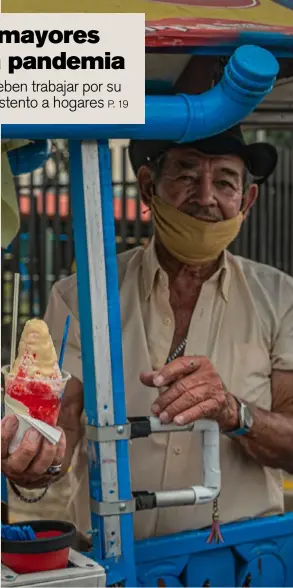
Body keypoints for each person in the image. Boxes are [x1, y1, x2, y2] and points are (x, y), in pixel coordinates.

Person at [2, 125, 293, 540]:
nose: (206, 196)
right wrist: (34, 462)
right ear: (147, 187)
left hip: (238, 564)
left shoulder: (281, 298)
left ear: (246, 200)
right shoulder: (81, 294)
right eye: (187, 176)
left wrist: (235, 413)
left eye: (225, 181)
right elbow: (57, 423)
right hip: (113, 559)